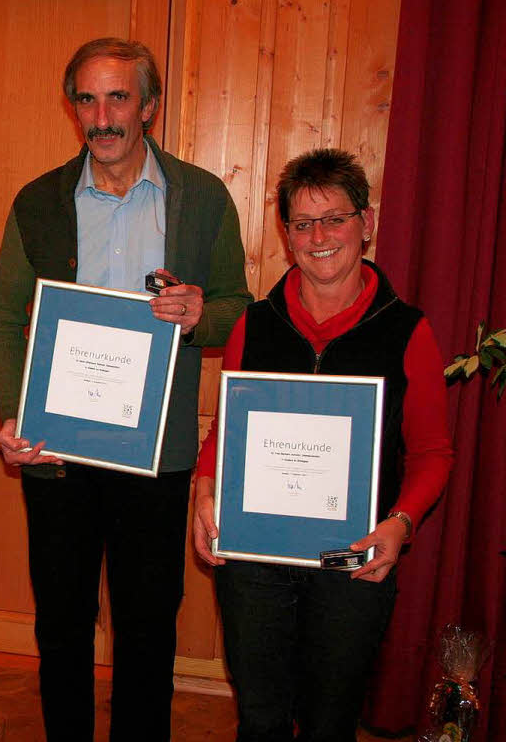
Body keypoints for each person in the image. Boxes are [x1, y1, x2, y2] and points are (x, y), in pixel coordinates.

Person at [0, 37, 251, 741]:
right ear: (73, 108)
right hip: (57, 453)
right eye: (87, 98)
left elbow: (236, 305)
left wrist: (201, 315)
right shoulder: (38, 202)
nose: (101, 116)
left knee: (148, 626)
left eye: (118, 97)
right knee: (62, 623)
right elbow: (6, 320)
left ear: (150, 107)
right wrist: (14, 413)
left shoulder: (202, 197)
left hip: (155, 457)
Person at [192, 148, 454, 741]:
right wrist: (204, 492)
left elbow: (434, 453)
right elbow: (225, 434)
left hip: (351, 559)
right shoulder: (254, 325)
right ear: (286, 236)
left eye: (334, 218)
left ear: (367, 222)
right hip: (256, 558)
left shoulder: (406, 329)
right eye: (303, 224)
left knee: (329, 722)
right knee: (259, 718)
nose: (319, 237)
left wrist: (400, 524)